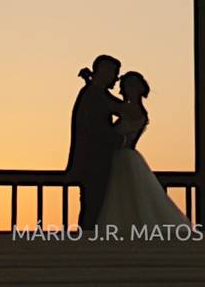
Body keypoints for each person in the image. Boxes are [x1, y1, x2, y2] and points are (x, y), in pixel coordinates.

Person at [95, 71, 191, 230]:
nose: (126, 91)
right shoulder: (131, 108)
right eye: (125, 87)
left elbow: (108, 103)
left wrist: (94, 83)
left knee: (125, 196)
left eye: (129, 87)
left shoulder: (131, 109)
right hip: (124, 157)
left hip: (124, 157)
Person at [66, 54, 124, 229]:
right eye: (115, 73)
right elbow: (98, 129)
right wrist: (121, 139)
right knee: (94, 207)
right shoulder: (95, 95)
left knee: (93, 206)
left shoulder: (95, 92)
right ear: (105, 72)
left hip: (94, 162)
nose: (116, 78)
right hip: (94, 163)